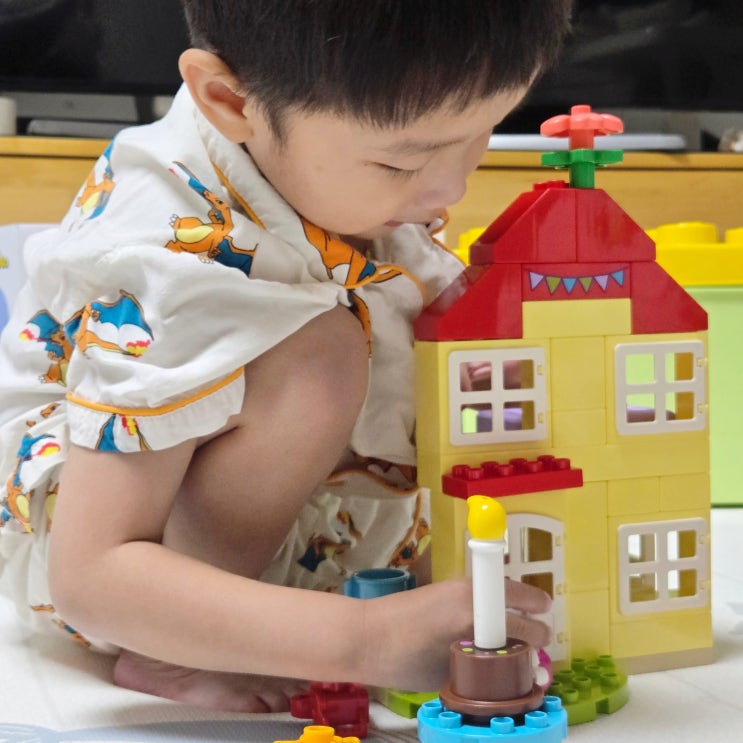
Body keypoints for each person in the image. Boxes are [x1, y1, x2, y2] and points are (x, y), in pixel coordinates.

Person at [0, 0, 573, 714]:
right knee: (318, 355)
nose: (449, 190)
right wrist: (363, 639)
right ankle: (173, 650)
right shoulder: (170, 262)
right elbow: (90, 577)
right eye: (401, 160)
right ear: (229, 101)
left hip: (269, 496)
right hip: (102, 551)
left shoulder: (314, 148)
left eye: (483, 133)